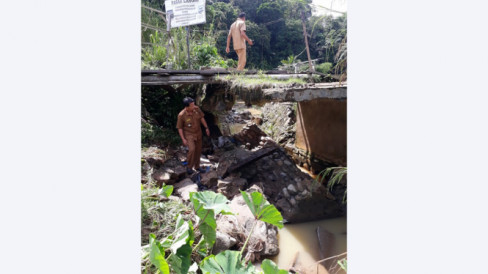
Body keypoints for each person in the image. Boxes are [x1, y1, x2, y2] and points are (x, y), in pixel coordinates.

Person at [176, 97, 210, 174]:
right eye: (192, 105)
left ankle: (197, 167)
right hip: (189, 134)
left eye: (193, 103)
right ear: (187, 106)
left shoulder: (197, 109)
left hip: (198, 133)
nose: (194, 105)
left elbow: (202, 118)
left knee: (198, 150)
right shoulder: (181, 115)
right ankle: (189, 167)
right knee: (192, 149)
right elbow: (180, 128)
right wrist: (183, 139)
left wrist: (206, 127)